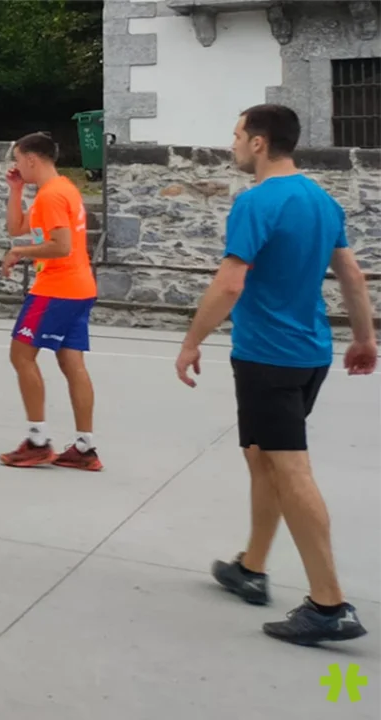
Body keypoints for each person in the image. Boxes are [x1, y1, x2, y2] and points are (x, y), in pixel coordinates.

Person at [175, 104, 375, 646]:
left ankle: (329, 605)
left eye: (237, 135)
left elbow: (229, 283)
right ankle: (252, 568)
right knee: (260, 454)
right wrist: (363, 338)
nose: (233, 145)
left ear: (259, 143)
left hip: (269, 358)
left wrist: (191, 342)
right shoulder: (320, 200)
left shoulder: (256, 201)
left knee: (290, 469)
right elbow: (351, 275)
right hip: (309, 355)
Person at [0, 132, 102, 471]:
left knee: (20, 354)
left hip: (56, 289)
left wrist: (19, 252)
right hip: (79, 288)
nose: (16, 166)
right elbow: (16, 227)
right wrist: (16, 190)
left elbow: (61, 246)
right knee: (72, 363)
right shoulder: (59, 190)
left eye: (17, 159)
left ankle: (38, 441)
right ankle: (85, 447)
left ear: (31, 159)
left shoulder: (53, 196)